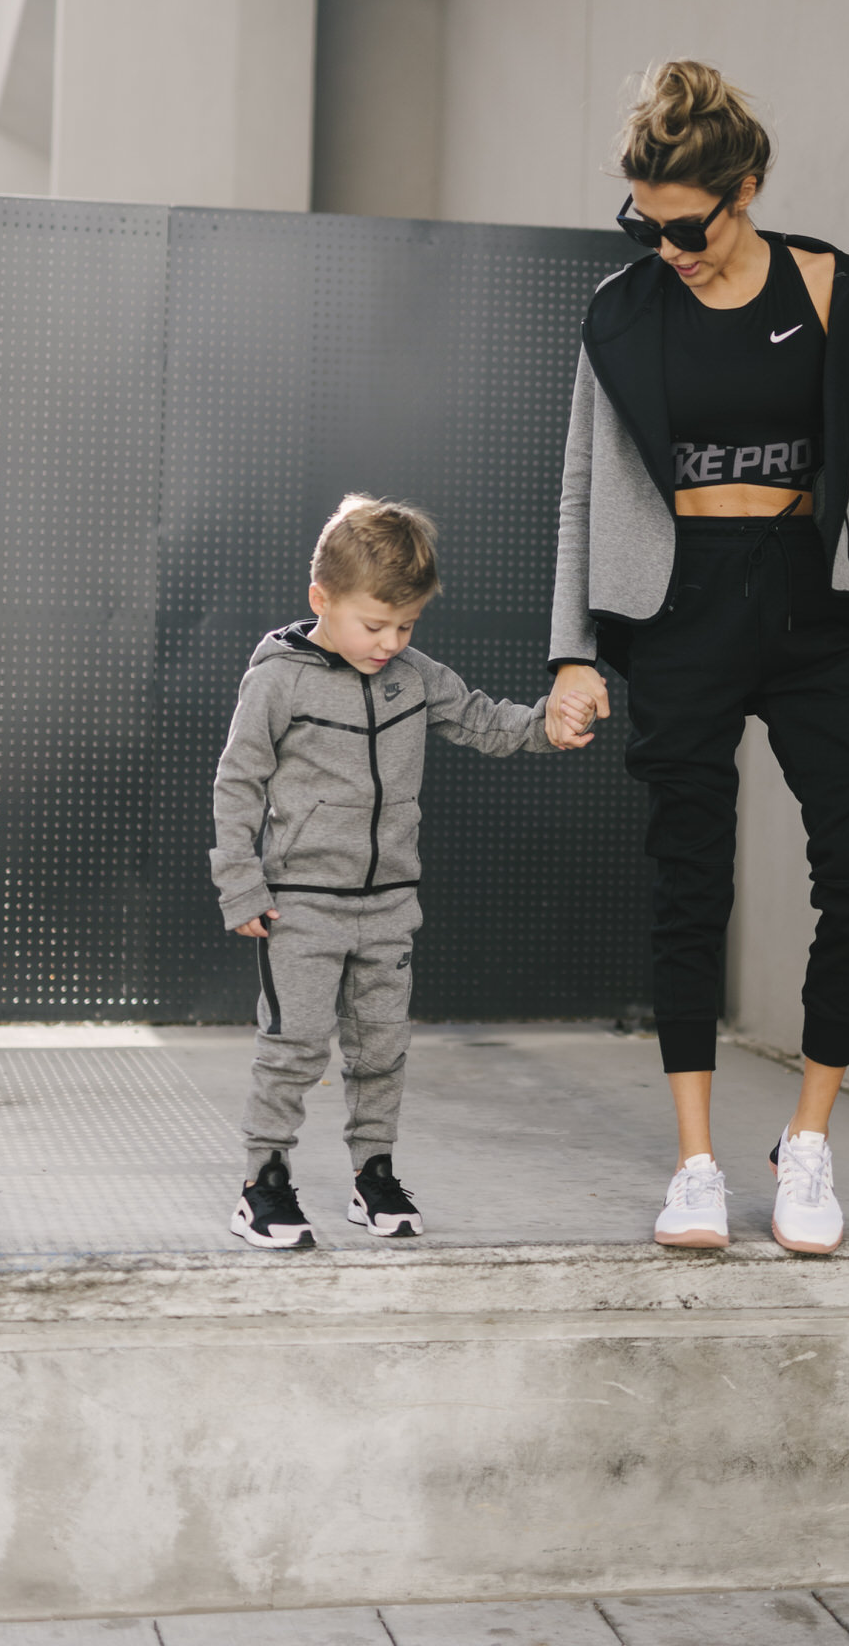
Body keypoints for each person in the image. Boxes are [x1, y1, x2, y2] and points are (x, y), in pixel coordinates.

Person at [545, 61, 849, 1255]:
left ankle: (804, 1138)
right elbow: (580, 491)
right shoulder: (624, 310)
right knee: (687, 882)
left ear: (746, 188)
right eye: (647, 227)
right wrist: (575, 653)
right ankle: (696, 1161)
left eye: (690, 226)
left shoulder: (833, 294)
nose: (671, 249)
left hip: (813, 612)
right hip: (681, 611)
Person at [211, 493, 596, 1249]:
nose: (391, 641)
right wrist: (240, 882)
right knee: (294, 1044)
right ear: (322, 599)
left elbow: (485, 721)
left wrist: (548, 723)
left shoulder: (413, 676)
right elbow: (238, 782)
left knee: (381, 1047)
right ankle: (263, 1183)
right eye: (374, 625)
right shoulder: (279, 681)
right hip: (301, 905)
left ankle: (373, 1173)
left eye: (407, 626)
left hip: (389, 904)